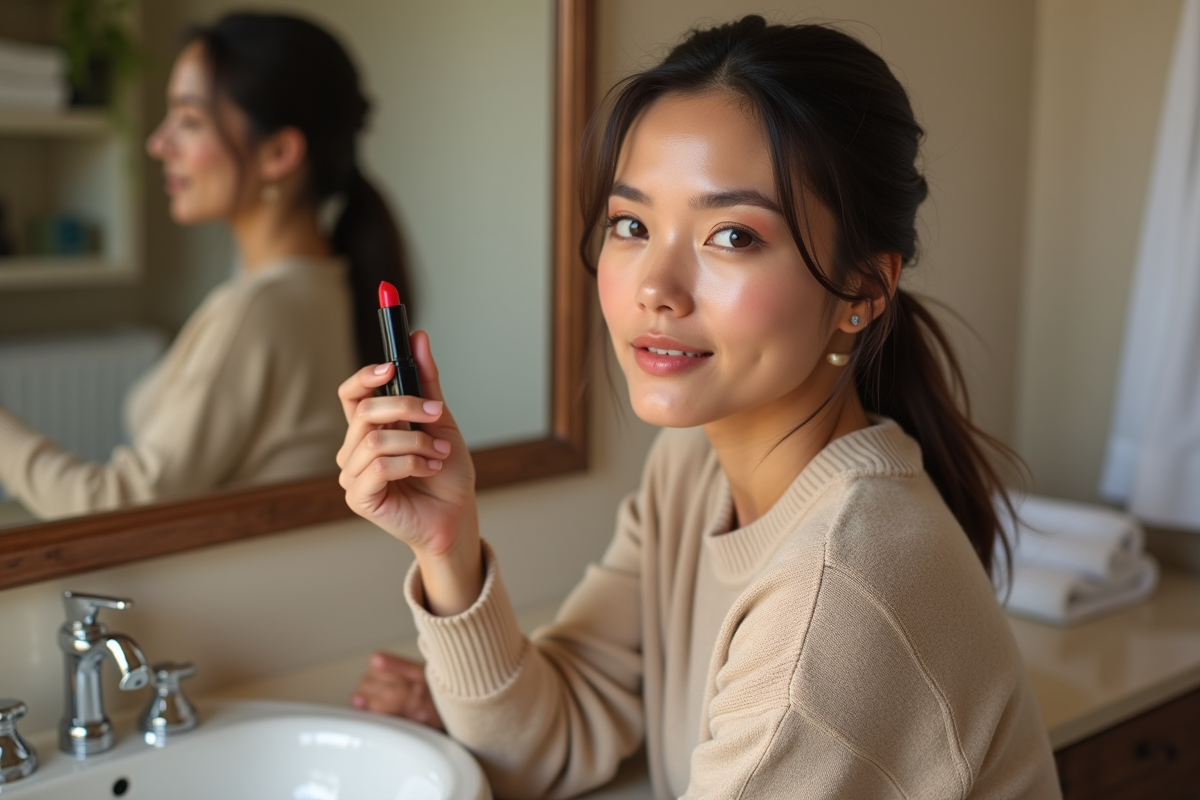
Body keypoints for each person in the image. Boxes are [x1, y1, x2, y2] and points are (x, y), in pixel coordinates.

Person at [337, 16, 1060, 799]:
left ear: (862, 290)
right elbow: (556, 738)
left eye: (732, 237)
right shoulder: (694, 466)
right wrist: (448, 546)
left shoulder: (834, 599)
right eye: (632, 224)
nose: (656, 286)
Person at [0, 13, 411, 519]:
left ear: (279, 152)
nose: (158, 143)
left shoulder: (259, 311)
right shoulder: (326, 282)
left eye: (189, 120)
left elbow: (113, 507)